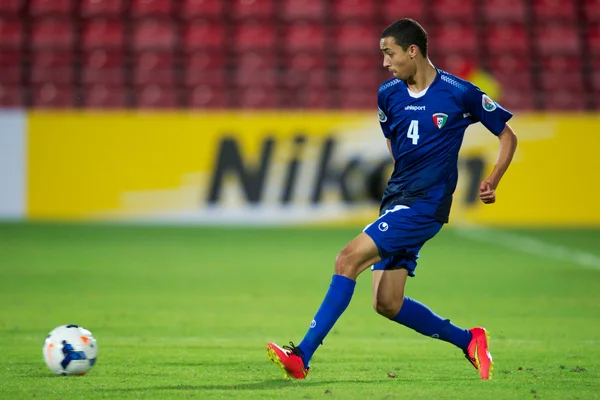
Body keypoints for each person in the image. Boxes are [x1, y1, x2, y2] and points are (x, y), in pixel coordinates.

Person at [266, 18, 518, 381]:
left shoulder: (459, 92)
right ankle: (469, 340)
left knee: (347, 259)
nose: (385, 63)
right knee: (387, 303)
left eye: (390, 53)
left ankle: (301, 355)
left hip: (425, 205)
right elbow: (393, 138)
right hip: (397, 200)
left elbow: (507, 135)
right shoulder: (389, 94)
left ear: (412, 51)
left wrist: (493, 178)